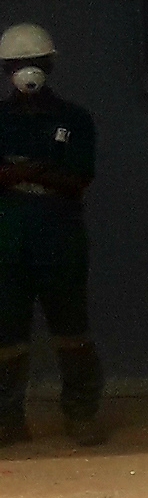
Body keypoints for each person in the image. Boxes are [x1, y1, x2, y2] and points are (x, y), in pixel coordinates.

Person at [0, 23, 102, 448]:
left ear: (50, 65)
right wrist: (39, 171)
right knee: (7, 335)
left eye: (36, 62)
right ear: (6, 69)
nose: (28, 71)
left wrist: (21, 173)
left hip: (60, 239)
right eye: (18, 64)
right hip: (7, 240)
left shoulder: (74, 118)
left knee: (71, 330)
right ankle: (7, 422)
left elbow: (79, 178)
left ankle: (81, 415)